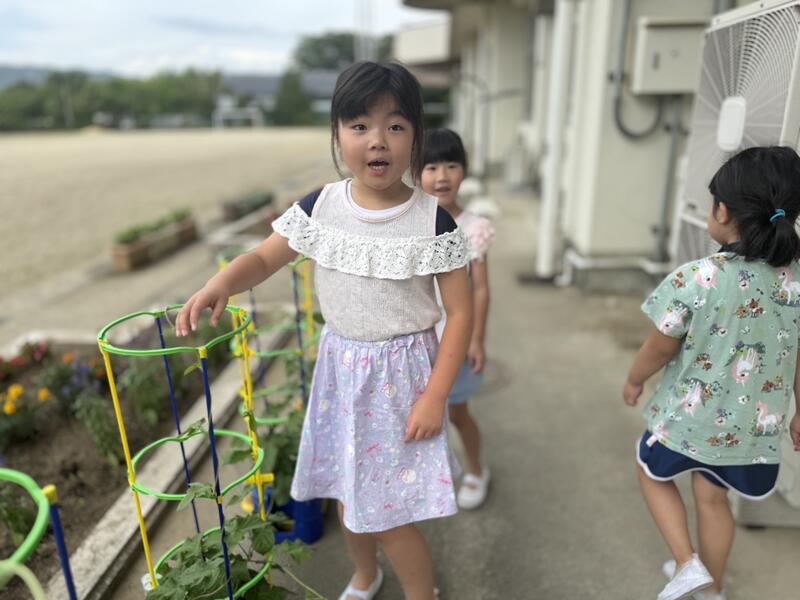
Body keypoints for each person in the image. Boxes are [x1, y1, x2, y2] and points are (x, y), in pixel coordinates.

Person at [175, 61, 472, 600]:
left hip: (402, 383)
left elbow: (461, 313)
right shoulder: (321, 206)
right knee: (344, 485)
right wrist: (222, 282)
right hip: (341, 373)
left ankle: (421, 593)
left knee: (388, 512)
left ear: (415, 136)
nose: (377, 140)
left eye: (395, 126)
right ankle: (364, 575)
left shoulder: (433, 221)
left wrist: (436, 396)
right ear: (337, 134)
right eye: (359, 126)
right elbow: (263, 259)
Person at [623, 146, 800, 600]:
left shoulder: (698, 277)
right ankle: (712, 590)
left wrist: (635, 378)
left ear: (723, 211)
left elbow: (659, 347)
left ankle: (687, 563)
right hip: (750, 430)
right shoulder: (796, 281)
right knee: (713, 498)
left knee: (649, 471)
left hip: (689, 419)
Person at [420, 128, 495, 509]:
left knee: (457, 412)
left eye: (451, 165)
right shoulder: (409, 224)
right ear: (415, 173)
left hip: (456, 340)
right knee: (417, 413)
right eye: (431, 167)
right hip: (416, 341)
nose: (442, 176)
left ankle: (476, 469)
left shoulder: (473, 227)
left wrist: (476, 339)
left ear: (464, 170)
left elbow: (479, 289)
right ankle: (432, 473)